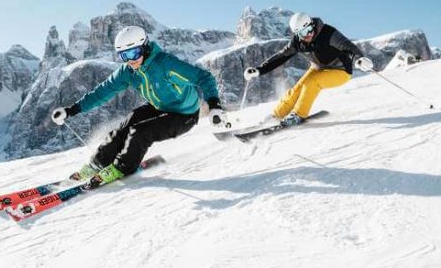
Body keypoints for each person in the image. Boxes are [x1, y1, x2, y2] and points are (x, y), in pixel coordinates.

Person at [51, 25, 225, 185]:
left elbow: (204, 77)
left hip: (184, 115)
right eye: (124, 56)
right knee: (124, 127)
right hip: (160, 107)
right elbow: (102, 92)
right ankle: (97, 164)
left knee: (140, 132)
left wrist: (214, 105)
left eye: (133, 53)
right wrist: (71, 110)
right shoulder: (128, 71)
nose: (130, 60)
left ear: (145, 47)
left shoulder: (165, 64)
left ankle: (122, 168)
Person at [243, 12, 374, 126]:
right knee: (298, 88)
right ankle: (277, 115)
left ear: (312, 24)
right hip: (318, 67)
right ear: (297, 34)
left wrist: (359, 59)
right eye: (303, 33)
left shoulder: (328, 33)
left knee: (312, 83)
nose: (308, 35)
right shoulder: (297, 42)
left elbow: (348, 47)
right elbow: (281, 56)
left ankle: (299, 115)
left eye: (309, 30)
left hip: (340, 70)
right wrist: (259, 70)